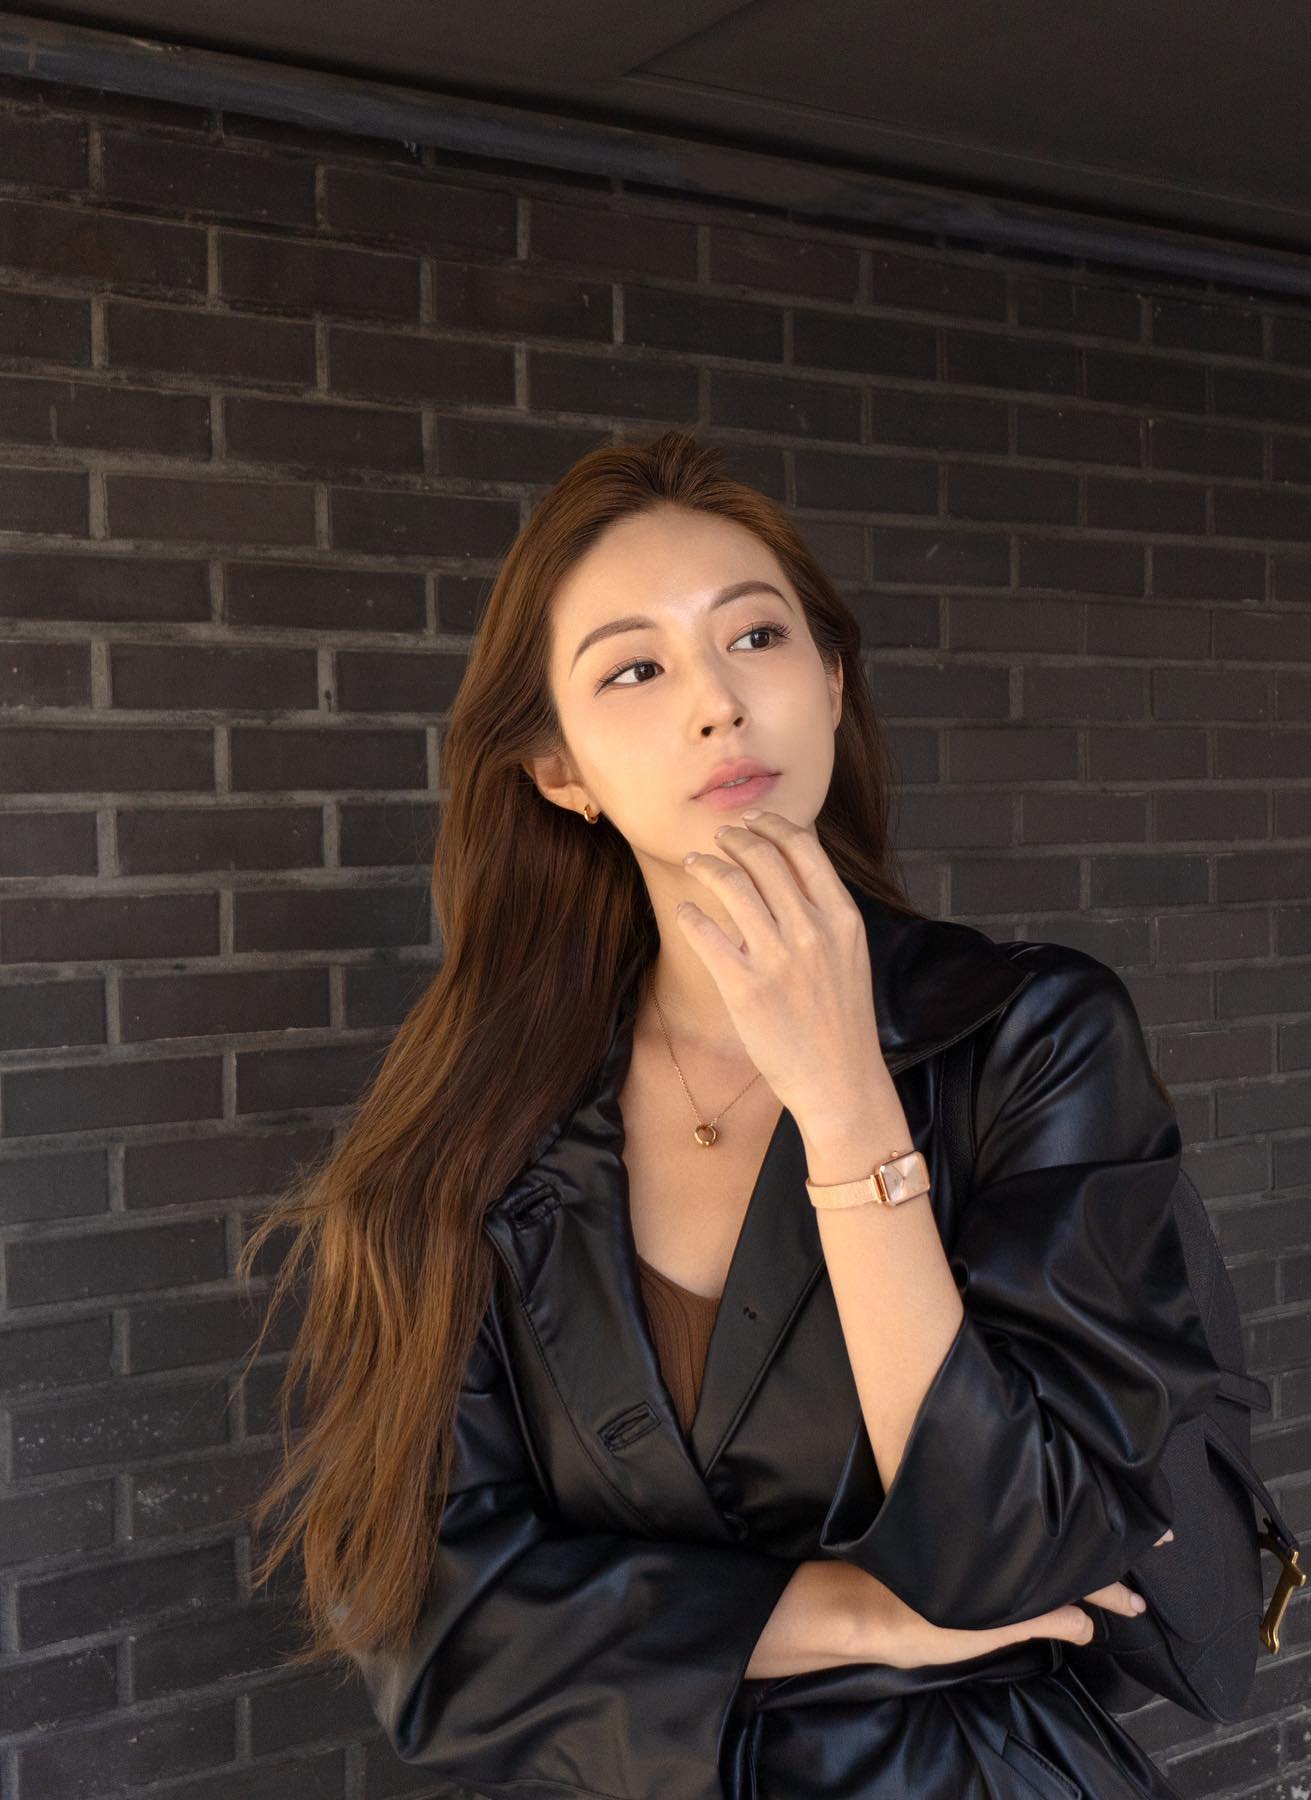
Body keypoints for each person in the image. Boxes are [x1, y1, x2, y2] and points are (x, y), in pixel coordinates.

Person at [237, 430, 1224, 1798]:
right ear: (560, 769)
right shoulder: (480, 1116)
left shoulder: (1034, 1035)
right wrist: (853, 1614)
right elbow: (430, 1630)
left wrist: (849, 1105)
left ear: (831, 682)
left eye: (756, 638)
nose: (718, 702)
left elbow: (1026, 1548)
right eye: (634, 669)